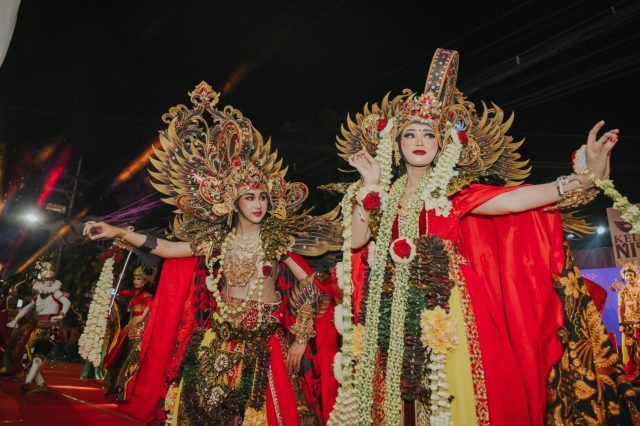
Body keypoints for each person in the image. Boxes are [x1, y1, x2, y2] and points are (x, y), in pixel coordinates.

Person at [328, 48, 638, 425]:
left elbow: (516, 199)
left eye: (429, 133)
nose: (419, 140)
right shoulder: (383, 196)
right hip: (391, 308)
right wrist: (369, 185)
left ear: (443, 144)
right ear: (397, 144)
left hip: (451, 307)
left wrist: (584, 179)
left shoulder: (454, 194)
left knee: (454, 395)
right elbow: (357, 241)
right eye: (410, 134)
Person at [83, 82, 339, 425]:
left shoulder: (278, 240)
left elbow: (310, 283)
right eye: (250, 197)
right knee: (202, 411)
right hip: (217, 338)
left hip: (264, 343)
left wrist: (301, 337)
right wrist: (119, 232)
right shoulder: (217, 240)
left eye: (262, 197)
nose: (258, 204)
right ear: (234, 201)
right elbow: (170, 249)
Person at [6, 261, 70, 393]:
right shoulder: (38, 296)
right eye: (46, 279)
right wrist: (16, 319)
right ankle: (40, 383)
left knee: (37, 357)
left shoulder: (56, 293)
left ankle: (27, 382)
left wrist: (62, 314)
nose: (48, 282)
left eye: (50, 279)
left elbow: (67, 303)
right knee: (30, 357)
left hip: (50, 329)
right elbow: (27, 307)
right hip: (36, 329)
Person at [103, 265, 154, 400]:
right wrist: (119, 281)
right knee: (121, 355)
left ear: (145, 281)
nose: (135, 281)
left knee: (128, 357)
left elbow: (150, 304)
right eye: (135, 279)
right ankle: (116, 385)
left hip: (138, 328)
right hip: (130, 326)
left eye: (139, 279)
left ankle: (123, 388)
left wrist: (142, 318)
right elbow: (119, 293)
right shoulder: (135, 293)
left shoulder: (145, 294)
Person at [617, 261, 640, 380]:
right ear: (624, 277)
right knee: (631, 348)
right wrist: (621, 324)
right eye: (627, 275)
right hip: (629, 323)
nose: (629, 277)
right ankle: (635, 370)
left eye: (631, 275)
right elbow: (620, 308)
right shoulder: (622, 290)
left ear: (635, 275)